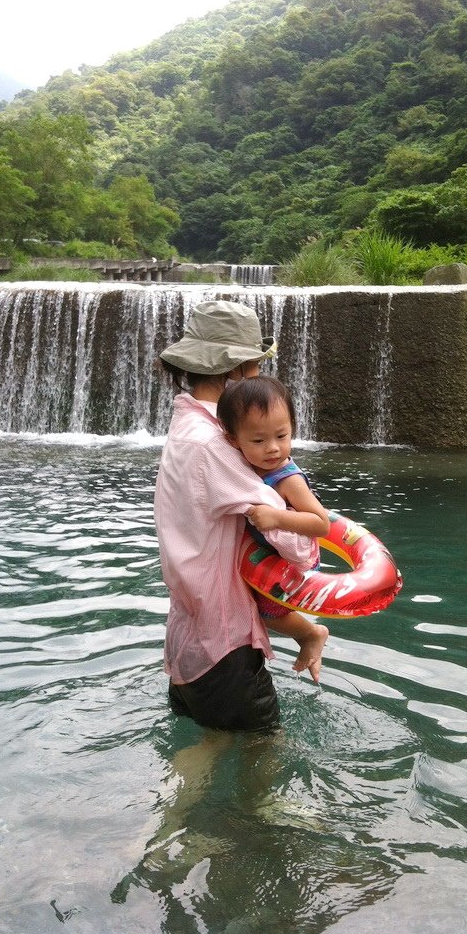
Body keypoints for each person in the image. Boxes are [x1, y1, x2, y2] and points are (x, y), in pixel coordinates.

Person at [154, 299, 319, 732]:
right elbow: (296, 544)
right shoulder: (215, 446)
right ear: (235, 372)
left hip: (188, 633)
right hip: (224, 642)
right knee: (260, 750)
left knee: (210, 747)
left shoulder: (186, 426)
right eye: (254, 370)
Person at [216, 375, 329, 684]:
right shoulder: (239, 463)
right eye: (258, 441)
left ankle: (311, 633)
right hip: (263, 552)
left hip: (288, 560)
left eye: (282, 436)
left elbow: (321, 523)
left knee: (265, 612)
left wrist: (278, 518)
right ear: (233, 440)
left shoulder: (287, 478)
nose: (273, 448)